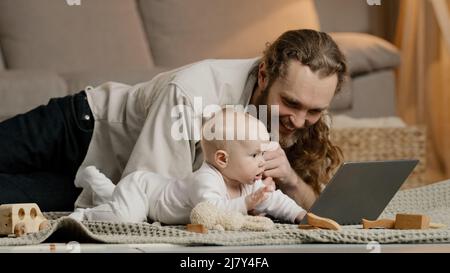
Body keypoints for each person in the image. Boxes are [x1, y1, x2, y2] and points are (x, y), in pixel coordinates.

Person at [0, 29, 346, 211]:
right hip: (80, 127)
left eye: (315, 111)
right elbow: (155, 197)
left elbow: (317, 212)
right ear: (263, 74)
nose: (300, 121)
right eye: (291, 103)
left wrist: (289, 179)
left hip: (101, 181)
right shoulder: (193, 92)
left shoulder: (295, 118)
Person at [69, 110, 307, 224]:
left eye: (262, 153)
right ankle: (85, 215)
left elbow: (274, 199)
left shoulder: (247, 181)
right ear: (223, 160)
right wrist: (247, 203)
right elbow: (213, 211)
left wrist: (301, 215)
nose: (262, 162)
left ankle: (91, 177)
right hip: (142, 188)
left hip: (149, 189)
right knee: (126, 216)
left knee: (117, 199)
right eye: (255, 155)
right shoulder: (206, 179)